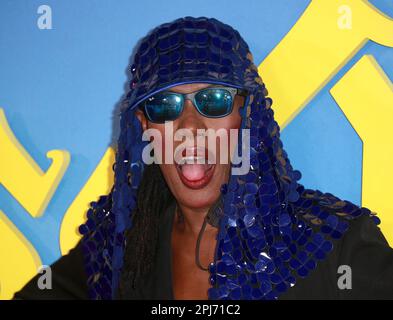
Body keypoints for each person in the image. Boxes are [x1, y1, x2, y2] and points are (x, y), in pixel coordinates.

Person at [14, 16, 393, 300]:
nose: (190, 127)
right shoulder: (116, 253)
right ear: (145, 126)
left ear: (247, 116)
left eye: (214, 101)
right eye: (165, 105)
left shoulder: (336, 245)